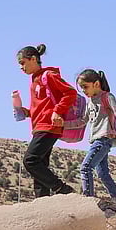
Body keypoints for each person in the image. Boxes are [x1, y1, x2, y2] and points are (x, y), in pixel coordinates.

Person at [14, 44, 76, 198]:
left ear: (33, 59)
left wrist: (57, 111)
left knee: (30, 160)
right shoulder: (34, 79)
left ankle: (63, 189)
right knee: (40, 164)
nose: (21, 67)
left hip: (49, 126)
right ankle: (43, 201)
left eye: (23, 63)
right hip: (39, 126)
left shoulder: (48, 75)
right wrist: (27, 112)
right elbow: (42, 105)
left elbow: (70, 93)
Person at [76, 69, 116, 200]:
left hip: (103, 140)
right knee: (102, 173)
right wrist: (63, 126)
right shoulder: (90, 102)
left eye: (85, 87)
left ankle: (88, 199)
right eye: (81, 88)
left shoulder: (107, 97)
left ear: (96, 84)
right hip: (96, 141)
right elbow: (83, 121)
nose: (83, 90)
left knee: (86, 167)